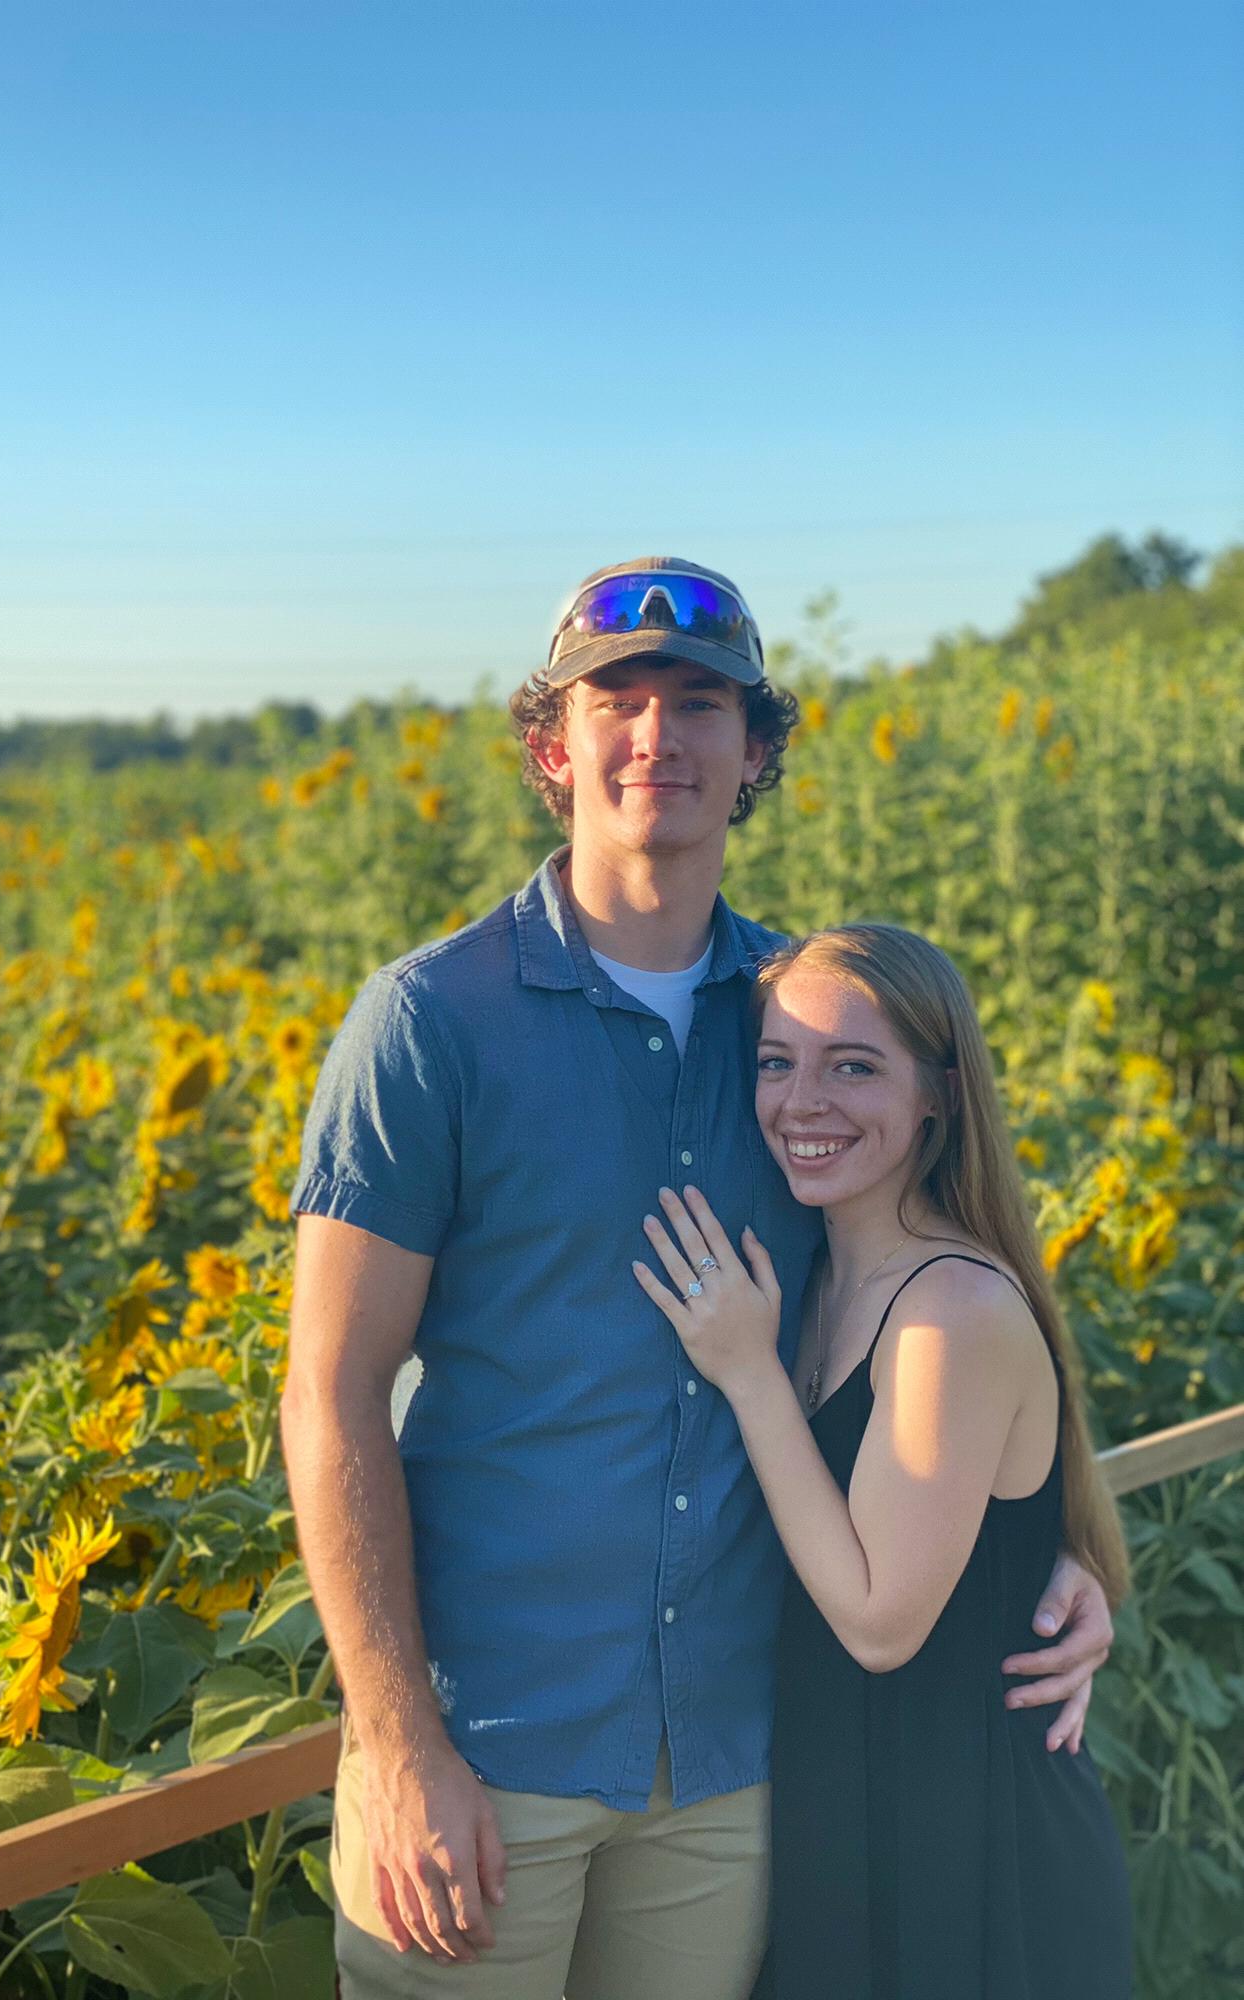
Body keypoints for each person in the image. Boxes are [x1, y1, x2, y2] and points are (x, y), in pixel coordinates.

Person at [281, 558, 1114, 2000]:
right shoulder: (428, 1023)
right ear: (553, 745)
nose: (657, 733)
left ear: (757, 752)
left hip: (736, 1762)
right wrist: (398, 1742)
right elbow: (332, 1392)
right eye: (618, 699)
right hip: (489, 1747)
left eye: (702, 702)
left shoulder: (807, 1026)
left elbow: (944, 1297)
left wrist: (1048, 1557)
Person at [633, 922, 1132, 1996]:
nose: (802, 1102)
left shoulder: (951, 1309)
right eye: (777, 1062)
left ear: (941, 1095)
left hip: (976, 1851)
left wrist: (750, 1374)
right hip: (850, 1823)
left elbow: (878, 1621)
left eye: (854, 1067)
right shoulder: (815, 1280)